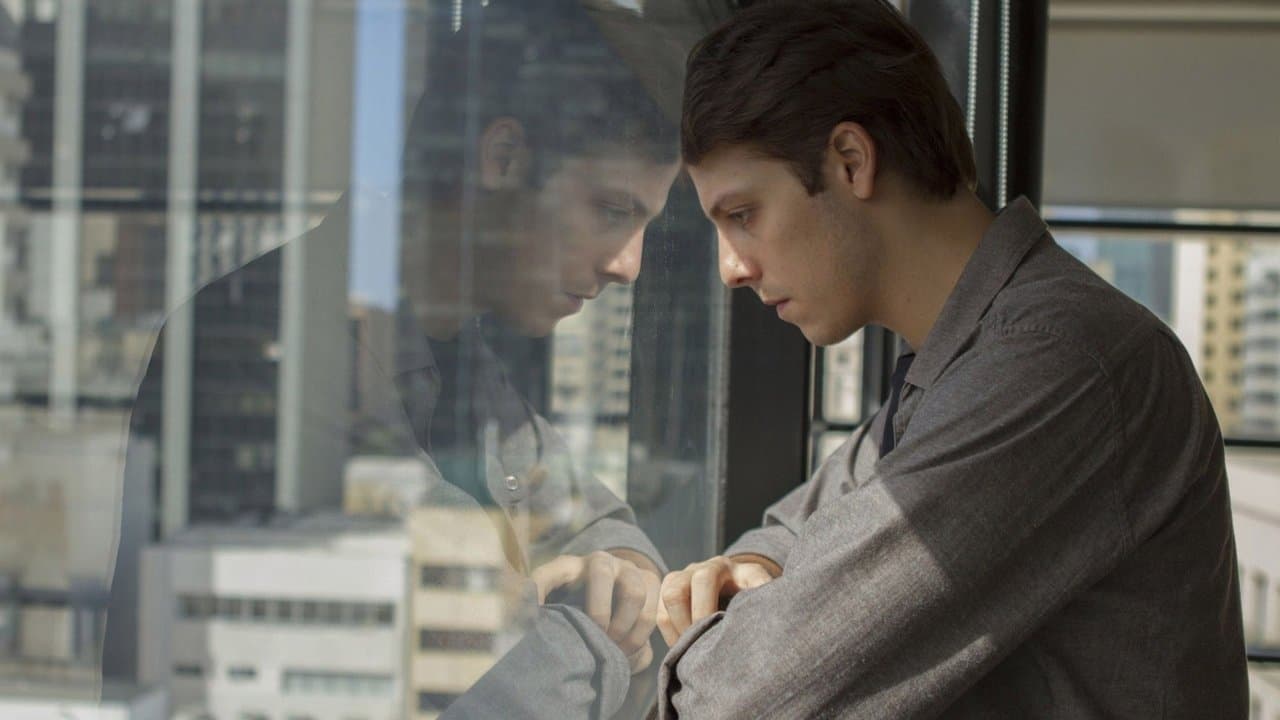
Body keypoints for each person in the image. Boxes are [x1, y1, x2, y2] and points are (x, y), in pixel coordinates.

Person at [655, 1, 1249, 717]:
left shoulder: (1059, 363)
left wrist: (747, 618)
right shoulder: (954, 366)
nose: (731, 268)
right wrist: (755, 570)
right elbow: (783, 533)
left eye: (743, 215)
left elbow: (746, 697)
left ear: (850, 161)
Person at [110, 1, 685, 717]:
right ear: (503, 157)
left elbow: (603, 529)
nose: (629, 265)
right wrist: (605, 646)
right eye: (611, 210)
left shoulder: (463, 354)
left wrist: (621, 579)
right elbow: (496, 687)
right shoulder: (275, 346)